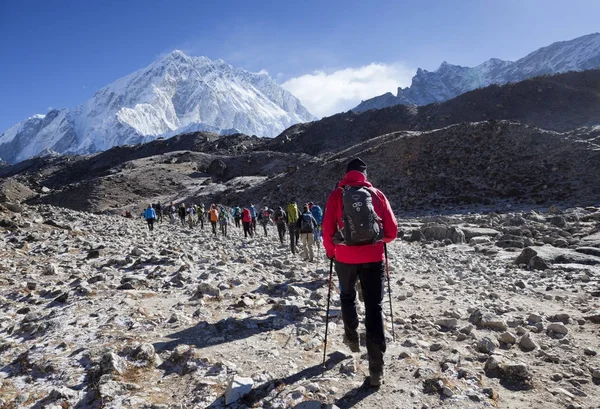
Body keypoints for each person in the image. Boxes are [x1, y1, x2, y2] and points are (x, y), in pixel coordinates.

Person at [322, 158, 398, 388]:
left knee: (347, 296)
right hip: (374, 258)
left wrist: (331, 252)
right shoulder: (376, 194)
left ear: (346, 174)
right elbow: (392, 232)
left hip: (344, 258)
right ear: (365, 174)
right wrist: (376, 240)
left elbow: (327, 229)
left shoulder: (337, 195)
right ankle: (377, 369)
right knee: (374, 308)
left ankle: (352, 337)